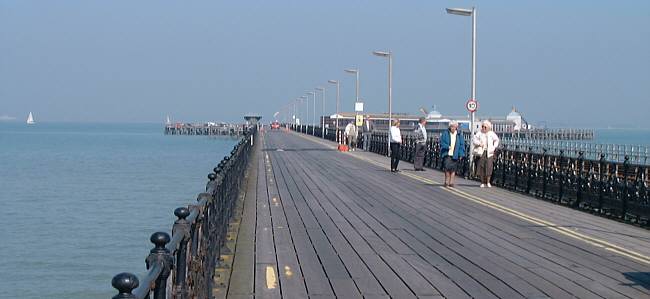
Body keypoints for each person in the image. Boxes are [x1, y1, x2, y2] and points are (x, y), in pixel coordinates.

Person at [473, 120, 500, 188]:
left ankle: (488, 182)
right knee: (481, 167)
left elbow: (496, 140)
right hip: (481, 152)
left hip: (489, 152)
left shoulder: (491, 133)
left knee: (489, 167)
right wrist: (479, 143)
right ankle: (482, 182)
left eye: (485, 127)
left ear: (488, 127)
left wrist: (494, 147)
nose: (483, 128)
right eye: (482, 126)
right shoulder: (479, 133)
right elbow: (474, 139)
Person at [440, 121, 465, 187]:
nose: (453, 128)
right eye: (451, 126)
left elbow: (461, 145)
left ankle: (451, 182)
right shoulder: (445, 133)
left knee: (453, 169)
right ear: (449, 127)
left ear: (456, 127)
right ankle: (446, 181)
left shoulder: (459, 135)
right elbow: (442, 142)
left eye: (454, 127)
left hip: (455, 154)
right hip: (447, 153)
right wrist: (447, 146)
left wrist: (461, 154)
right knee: (447, 168)